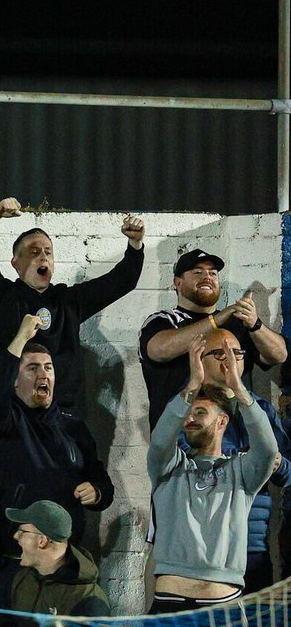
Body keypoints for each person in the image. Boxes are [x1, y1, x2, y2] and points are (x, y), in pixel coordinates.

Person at [0, 314, 113, 611]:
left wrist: (97, 491)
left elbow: (103, 483)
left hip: (61, 563)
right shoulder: (3, 422)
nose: (43, 374)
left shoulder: (74, 427)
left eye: (48, 368)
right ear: (15, 380)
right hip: (13, 560)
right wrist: (21, 337)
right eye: (32, 368)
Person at [0, 197, 145, 411]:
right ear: (16, 263)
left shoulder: (68, 301)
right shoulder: (1, 297)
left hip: (62, 411)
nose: (43, 257)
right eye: (34, 252)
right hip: (12, 410)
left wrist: (135, 245)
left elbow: (121, 281)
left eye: (48, 252)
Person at [148, 335, 275, 614]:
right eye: (188, 414)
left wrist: (238, 389)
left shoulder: (242, 472)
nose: (189, 419)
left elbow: (268, 450)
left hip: (223, 607)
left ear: (222, 421)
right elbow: (159, 440)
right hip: (171, 604)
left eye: (200, 412)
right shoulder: (169, 467)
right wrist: (192, 386)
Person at [183, 326, 291, 593]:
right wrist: (247, 462)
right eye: (220, 353)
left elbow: (288, 473)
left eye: (237, 353)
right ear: (200, 359)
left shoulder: (261, 409)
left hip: (252, 546)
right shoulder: (188, 410)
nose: (230, 360)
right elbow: (186, 464)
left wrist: (278, 464)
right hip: (204, 548)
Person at [139, 247, 287, 430]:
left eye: (213, 273)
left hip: (234, 436)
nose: (207, 277)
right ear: (178, 282)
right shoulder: (163, 321)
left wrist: (254, 323)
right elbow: (160, 350)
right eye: (197, 272)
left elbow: (279, 355)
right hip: (179, 436)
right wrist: (216, 319)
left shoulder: (237, 323)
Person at [5, 499, 109, 619]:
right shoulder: (23, 579)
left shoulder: (88, 601)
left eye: (21, 531)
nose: (15, 536)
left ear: (42, 541)